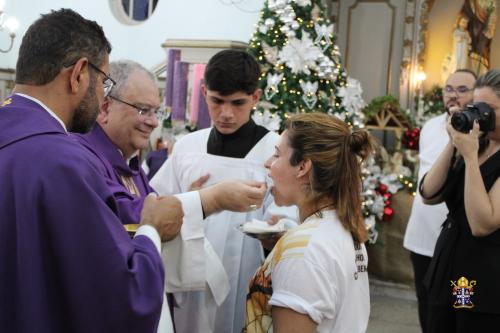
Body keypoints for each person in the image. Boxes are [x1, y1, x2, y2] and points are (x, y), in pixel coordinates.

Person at [0, 10, 265, 333]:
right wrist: (152, 229)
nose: (101, 98)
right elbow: (123, 296)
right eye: (104, 82)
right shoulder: (62, 161)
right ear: (79, 74)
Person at [71, 60, 268, 332]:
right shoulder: (82, 158)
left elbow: (157, 209)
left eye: (156, 111)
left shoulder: (126, 162)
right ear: (105, 107)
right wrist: (211, 200)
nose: (153, 122)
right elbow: (130, 216)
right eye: (143, 110)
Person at [150, 49, 297, 333]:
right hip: (189, 278)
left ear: (255, 97)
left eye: (237, 103)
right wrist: (187, 200)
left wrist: (279, 226)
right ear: (204, 92)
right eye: (216, 101)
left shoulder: (275, 151)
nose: (226, 113)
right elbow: (155, 206)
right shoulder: (188, 147)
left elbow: (292, 215)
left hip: (247, 273)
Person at [243, 112, 374, 333]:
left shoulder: (302, 251)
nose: (268, 164)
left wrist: (293, 253)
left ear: (303, 167)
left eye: (276, 155)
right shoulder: (342, 226)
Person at [420, 69, 500, 332]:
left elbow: (482, 223)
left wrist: (469, 156)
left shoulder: (475, 152)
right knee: (440, 325)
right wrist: (454, 142)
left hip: (481, 279)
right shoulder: (478, 144)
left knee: (468, 324)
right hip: (451, 271)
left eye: (489, 109)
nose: (482, 115)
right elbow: (429, 194)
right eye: (477, 107)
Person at [403, 69, 476, 332]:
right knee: (429, 306)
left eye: (462, 89)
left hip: (460, 244)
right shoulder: (431, 126)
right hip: (422, 237)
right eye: (448, 88)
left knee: (462, 305)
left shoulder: (481, 132)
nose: (453, 95)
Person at [461, 0, 497, 75]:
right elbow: (465, 11)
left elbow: (493, 15)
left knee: (482, 49)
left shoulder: (491, 2)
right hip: (472, 26)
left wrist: (489, 28)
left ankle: (481, 69)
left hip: (484, 30)